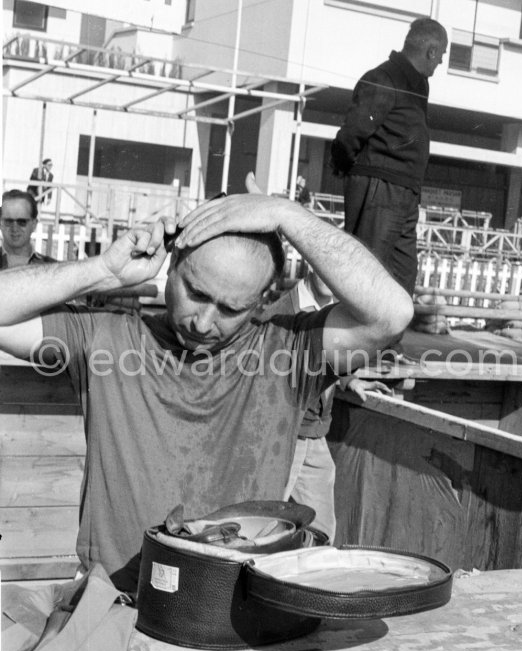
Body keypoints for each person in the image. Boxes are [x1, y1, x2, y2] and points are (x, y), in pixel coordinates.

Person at [0, 173, 413, 592]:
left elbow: (391, 314)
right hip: (116, 602)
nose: (203, 322)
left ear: (262, 301)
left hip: (235, 605)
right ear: (172, 264)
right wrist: (102, 271)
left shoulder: (287, 353)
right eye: (195, 292)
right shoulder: (106, 338)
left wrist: (288, 216)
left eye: (231, 308)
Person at [262, 268, 392, 544]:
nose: (335, 278)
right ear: (311, 264)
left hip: (314, 430)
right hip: (285, 433)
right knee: (266, 516)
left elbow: (329, 352)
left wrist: (349, 379)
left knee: (320, 524)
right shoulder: (281, 312)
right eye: (328, 270)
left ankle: (313, 575)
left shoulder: (336, 311)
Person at [331, 17, 448, 305]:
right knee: (367, 274)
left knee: (401, 278)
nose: (441, 63)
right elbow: (353, 132)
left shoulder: (417, 84)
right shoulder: (383, 77)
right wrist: (348, 165)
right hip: (380, 186)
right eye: (441, 56)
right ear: (431, 52)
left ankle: (387, 349)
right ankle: (355, 348)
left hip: (404, 191)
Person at [0, 190, 56, 269]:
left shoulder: (51, 269)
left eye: (22, 222)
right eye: (8, 221)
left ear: (34, 225)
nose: (14, 228)